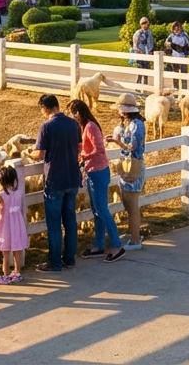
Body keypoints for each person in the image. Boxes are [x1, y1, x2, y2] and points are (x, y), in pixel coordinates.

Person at [31, 94, 81, 272]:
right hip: (72, 177)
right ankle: (70, 258)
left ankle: (55, 261)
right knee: (70, 219)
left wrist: (30, 154)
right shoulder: (73, 124)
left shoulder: (47, 126)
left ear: (45, 108)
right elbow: (79, 148)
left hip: (55, 178)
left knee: (54, 223)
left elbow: (40, 154)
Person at [70, 99, 124, 262]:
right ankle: (99, 245)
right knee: (97, 210)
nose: (72, 117)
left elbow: (98, 149)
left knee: (102, 209)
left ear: (78, 112)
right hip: (93, 172)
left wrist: (84, 156)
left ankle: (116, 245)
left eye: (73, 114)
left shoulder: (91, 127)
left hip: (98, 171)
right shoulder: (86, 127)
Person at [110, 93, 146, 250]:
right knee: (127, 203)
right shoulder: (130, 124)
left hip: (133, 166)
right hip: (127, 166)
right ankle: (133, 233)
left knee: (132, 205)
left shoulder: (136, 125)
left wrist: (116, 141)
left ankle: (136, 240)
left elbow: (133, 147)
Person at [0, 163, 27, 284]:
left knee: (5, 253)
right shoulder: (19, 193)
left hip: (6, 226)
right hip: (17, 224)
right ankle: (17, 272)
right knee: (17, 250)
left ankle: (5, 275)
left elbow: (0, 206)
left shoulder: (2, 195)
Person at [166, 20, 189, 91]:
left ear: (180, 28)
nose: (176, 30)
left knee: (184, 76)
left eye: (178, 29)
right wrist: (171, 45)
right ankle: (176, 90)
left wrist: (185, 51)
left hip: (183, 58)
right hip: (174, 58)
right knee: (175, 75)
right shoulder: (171, 36)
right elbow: (166, 44)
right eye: (174, 29)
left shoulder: (185, 35)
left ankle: (184, 92)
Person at [131, 17, 155, 86]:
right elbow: (135, 45)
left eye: (147, 23)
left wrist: (150, 50)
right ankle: (138, 86)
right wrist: (139, 51)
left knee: (146, 71)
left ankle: (145, 86)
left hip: (147, 54)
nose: (146, 25)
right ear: (141, 25)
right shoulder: (138, 33)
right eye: (143, 24)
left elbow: (151, 42)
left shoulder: (149, 32)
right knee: (140, 71)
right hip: (140, 55)